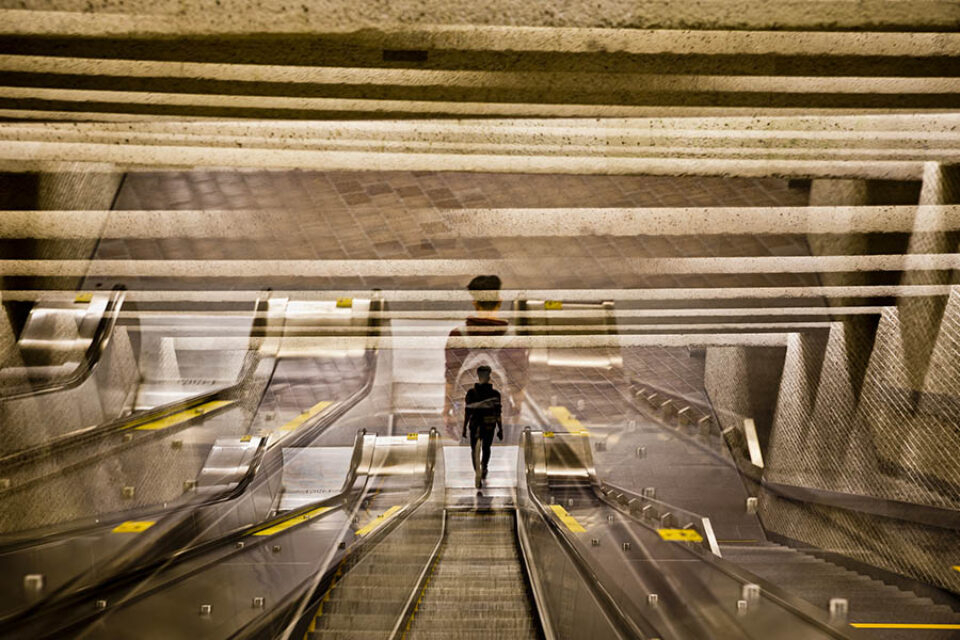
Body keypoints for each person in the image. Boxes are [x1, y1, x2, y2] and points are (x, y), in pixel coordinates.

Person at [444, 275, 528, 441]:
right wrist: (517, 409)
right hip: (497, 411)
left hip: (466, 408)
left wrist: (446, 410)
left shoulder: (457, 334)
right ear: (499, 301)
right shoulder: (512, 338)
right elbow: (517, 381)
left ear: (475, 303)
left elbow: (451, 377)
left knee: (466, 450)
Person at [461, 365, 503, 489]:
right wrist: (500, 429)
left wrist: (464, 427)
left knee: (474, 449)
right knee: (486, 447)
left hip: (474, 424)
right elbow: (498, 413)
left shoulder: (471, 393)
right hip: (489, 424)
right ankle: (483, 467)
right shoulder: (495, 394)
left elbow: (467, 411)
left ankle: (477, 471)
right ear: (489, 377)